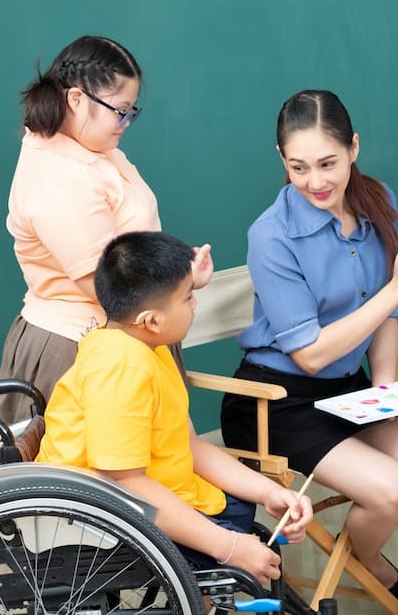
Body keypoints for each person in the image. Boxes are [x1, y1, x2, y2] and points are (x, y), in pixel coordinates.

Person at [221, 90, 398, 615]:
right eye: (298, 167)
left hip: (346, 390)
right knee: (390, 489)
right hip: (276, 402)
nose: (315, 181)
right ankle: (372, 568)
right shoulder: (270, 236)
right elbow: (310, 355)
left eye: (328, 163)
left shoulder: (377, 202)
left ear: (353, 148)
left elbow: (385, 316)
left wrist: (386, 392)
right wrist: (396, 288)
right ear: (281, 159)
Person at [36, 231, 312, 583]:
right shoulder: (121, 368)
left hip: (158, 491)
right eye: (188, 297)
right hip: (102, 516)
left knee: (241, 506)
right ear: (152, 320)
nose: (195, 305)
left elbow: (188, 444)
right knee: (232, 548)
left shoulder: (147, 346)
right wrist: (229, 547)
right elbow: (125, 483)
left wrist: (269, 491)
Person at [0, 35, 212, 423]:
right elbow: (104, 285)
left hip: (131, 333)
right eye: (120, 111)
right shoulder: (59, 176)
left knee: (162, 454)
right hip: (80, 348)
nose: (125, 123)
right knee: (110, 459)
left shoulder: (94, 150)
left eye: (131, 112)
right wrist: (181, 283)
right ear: (76, 100)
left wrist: (180, 276)